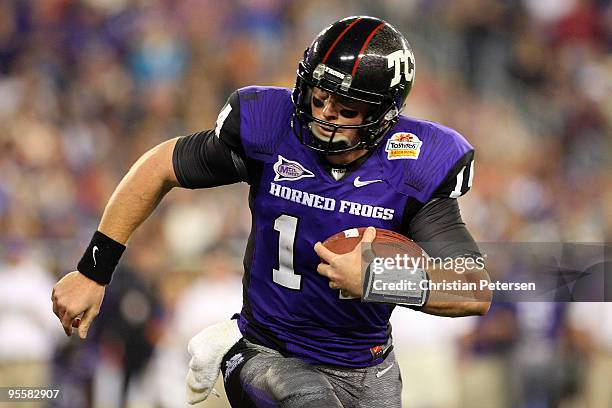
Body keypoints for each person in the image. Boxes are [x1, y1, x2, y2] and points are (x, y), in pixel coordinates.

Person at [52, 16, 491, 407]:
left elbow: (473, 288)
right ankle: (232, 343)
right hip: (265, 349)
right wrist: (94, 270)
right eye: (319, 97)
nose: (325, 115)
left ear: (384, 114)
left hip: (365, 366)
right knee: (307, 399)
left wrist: (378, 279)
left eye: (346, 108)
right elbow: (159, 166)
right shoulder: (272, 129)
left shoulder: (414, 165)